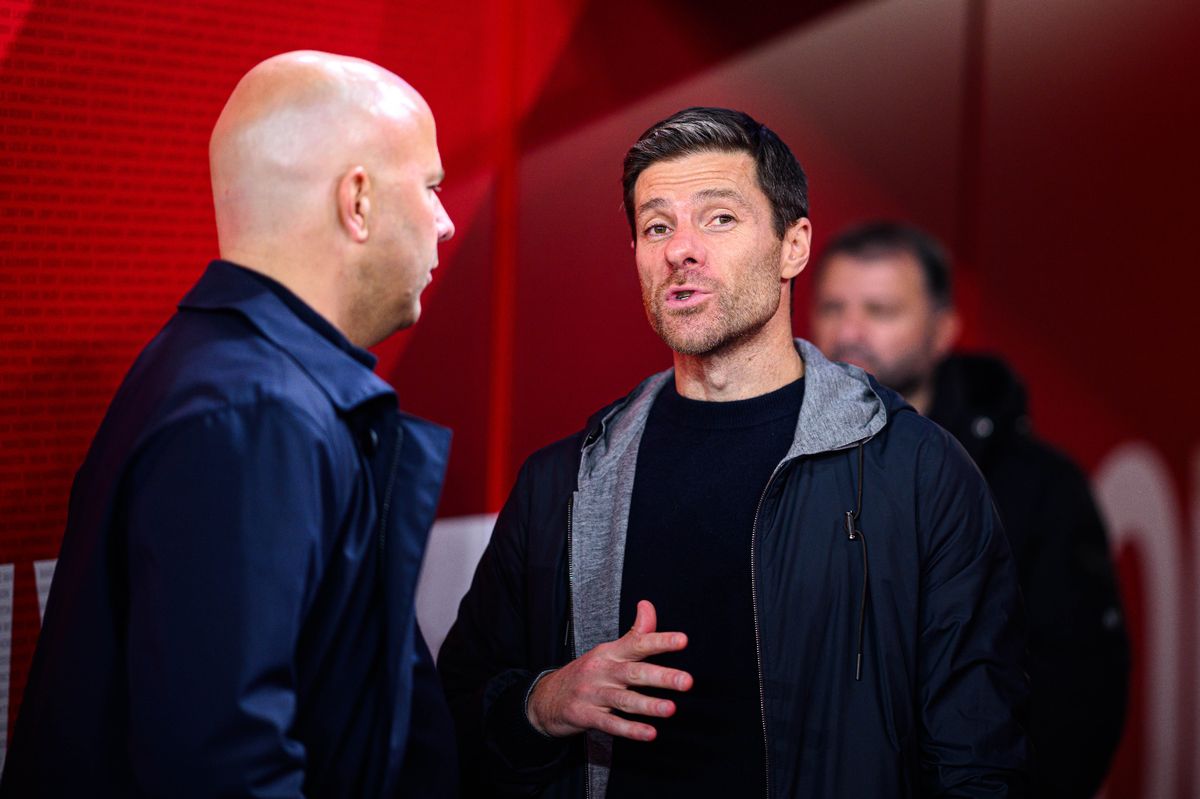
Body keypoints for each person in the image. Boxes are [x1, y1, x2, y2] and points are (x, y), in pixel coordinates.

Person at [438, 107, 1028, 798]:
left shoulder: (919, 473)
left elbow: (978, 757)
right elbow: (451, 709)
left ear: (794, 246)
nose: (680, 249)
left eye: (718, 218)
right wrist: (543, 702)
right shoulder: (564, 483)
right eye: (657, 225)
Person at [1, 51, 457, 797]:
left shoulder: (232, 382)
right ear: (359, 201)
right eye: (431, 187)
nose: (443, 223)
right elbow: (223, 769)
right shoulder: (256, 414)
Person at [810, 220, 1130, 798]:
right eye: (833, 306)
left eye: (880, 310)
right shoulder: (786, 465)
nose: (849, 332)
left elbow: (1078, 691)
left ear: (942, 331)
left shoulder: (1037, 487)